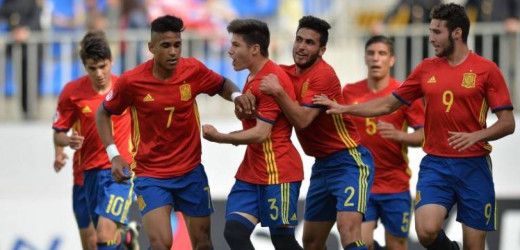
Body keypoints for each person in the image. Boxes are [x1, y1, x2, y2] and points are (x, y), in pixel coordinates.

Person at [314, 3, 515, 250]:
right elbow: (387, 104)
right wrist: (345, 108)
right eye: (430, 31)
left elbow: (508, 123)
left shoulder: (486, 70)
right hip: (436, 165)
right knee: (426, 232)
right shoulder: (425, 68)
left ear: (457, 33)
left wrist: (477, 136)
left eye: (436, 32)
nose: (430, 38)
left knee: (475, 245)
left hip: (474, 166)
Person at [96, 15, 254, 250]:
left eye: (177, 45)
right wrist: (114, 155)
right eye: (166, 45)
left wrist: (236, 96)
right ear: (151, 48)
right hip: (152, 175)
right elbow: (103, 113)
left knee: (203, 244)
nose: (173, 52)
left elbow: (222, 84)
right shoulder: (132, 82)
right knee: (161, 244)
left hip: (190, 172)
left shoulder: (193, 70)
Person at [259, 15, 375, 250]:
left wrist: (279, 92)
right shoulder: (287, 73)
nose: (301, 47)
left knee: (348, 230)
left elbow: (302, 121)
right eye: (299, 40)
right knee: (311, 242)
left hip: (349, 161)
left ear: (322, 50)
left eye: (309, 43)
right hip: (322, 166)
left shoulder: (323, 74)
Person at [202, 18, 304, 250]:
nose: (230, 51)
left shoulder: (271, 80)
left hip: (278, 171)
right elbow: (253, 120)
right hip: (252, 170)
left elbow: (260, 133)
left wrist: (221, 137)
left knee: (283, 240)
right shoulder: (251, 77)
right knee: (234, 232)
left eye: (236, 45)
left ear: (255, 49)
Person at [52, 31, 138, 250]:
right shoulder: (72, 93)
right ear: (84, 66)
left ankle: (124, 236)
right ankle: (127, 238)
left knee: (103, 235)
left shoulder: (125, 89)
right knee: (92, 243)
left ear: (111, 61)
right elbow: (58, 133)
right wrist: (65, 144)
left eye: (103, 66)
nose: (99, 73)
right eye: (92, 68)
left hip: (119, 172)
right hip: (85, 174)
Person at [342, 35, 425, 250]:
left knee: (397, 245)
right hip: (361, 183)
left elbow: (424, 136)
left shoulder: (405, 94)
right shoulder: (349, 92)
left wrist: (400, 136)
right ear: (365, 58)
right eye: (371, 53)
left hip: (395, 184)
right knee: (362, 242)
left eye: (382, 53)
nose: (376, 59)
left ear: (392, 60)